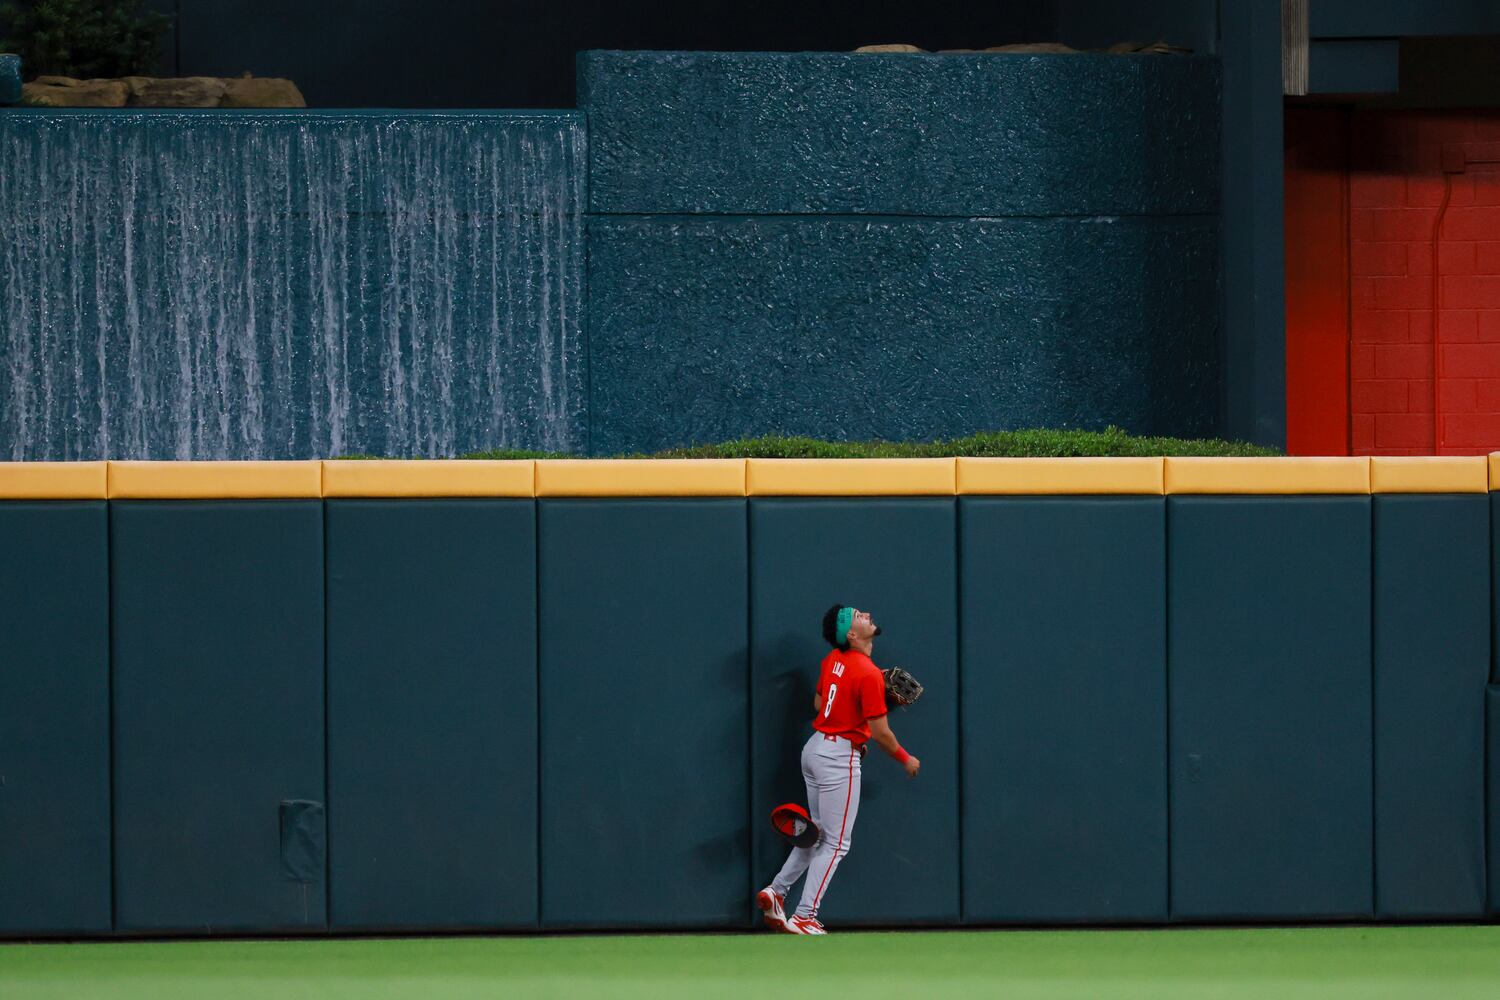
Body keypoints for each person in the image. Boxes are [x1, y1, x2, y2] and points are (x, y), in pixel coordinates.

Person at [756, 604, 921, 935]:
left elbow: (820, 705)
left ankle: (776, 892)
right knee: (836, 844)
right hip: (838, 758)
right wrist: (906, 758)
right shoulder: (869, 674)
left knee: (816, 836)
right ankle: (805, 915)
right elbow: (882, 734)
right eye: (859, 615)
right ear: (851, 633)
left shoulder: (834, 661)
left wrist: (863, 693)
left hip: (815, 749)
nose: (867, 615)